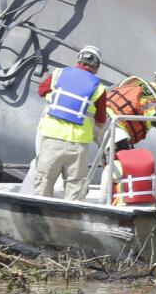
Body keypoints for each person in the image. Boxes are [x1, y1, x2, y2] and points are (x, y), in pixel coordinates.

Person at [33, 45, 107, 200]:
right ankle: (70, 221)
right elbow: (101, 121)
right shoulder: (99, 88)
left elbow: (41, 90)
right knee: (75, 189)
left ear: (79, 59)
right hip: (78, 146)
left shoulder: (59, 74)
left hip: (51, 139)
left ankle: (39, 217)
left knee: (43, 183)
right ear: (97, 67)